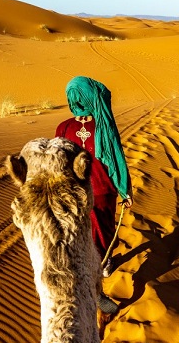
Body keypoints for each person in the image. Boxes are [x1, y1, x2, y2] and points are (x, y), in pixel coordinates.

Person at [55, 76, 133, 285]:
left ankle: (88, 265)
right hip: (102, 190)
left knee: (81, 230)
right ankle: (102, 266)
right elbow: (116, 158)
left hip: (74, 192)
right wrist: (125, 189)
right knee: (103, 230)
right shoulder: (104, 125)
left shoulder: (63, 128)